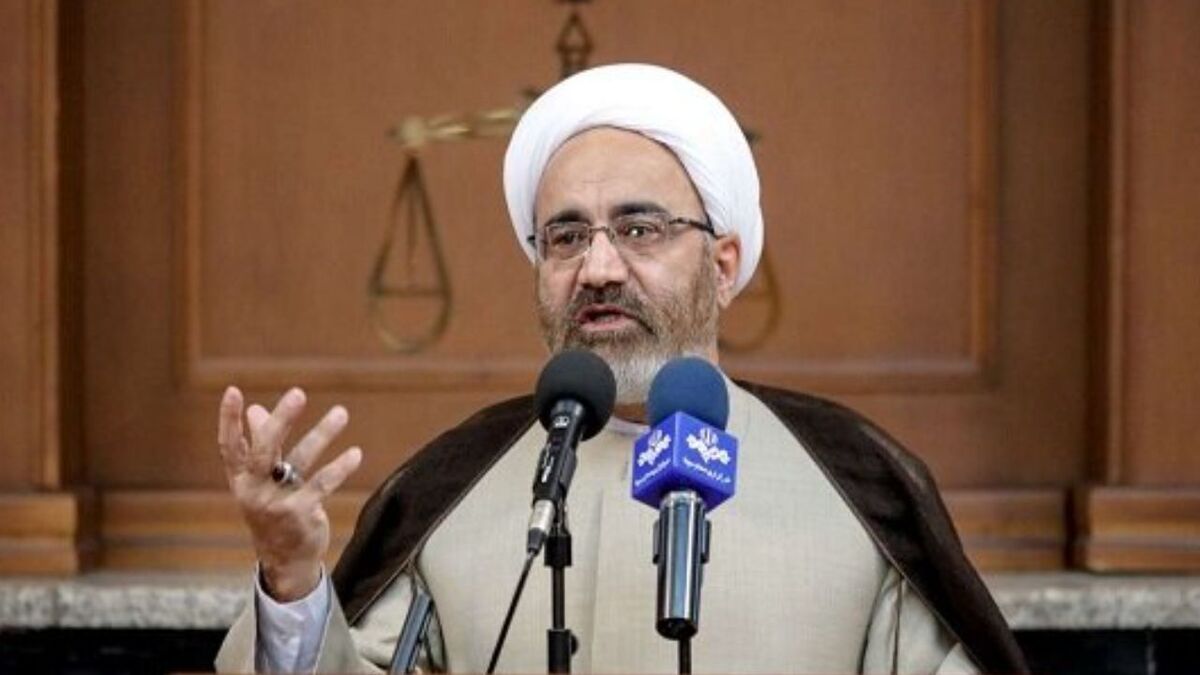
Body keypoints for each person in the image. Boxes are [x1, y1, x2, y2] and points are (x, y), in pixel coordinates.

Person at [215, 64, 1027, 674]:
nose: (598, 267)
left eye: (640, 229)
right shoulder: (451, 486)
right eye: (567, 237)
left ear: (723, 263)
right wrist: (291, 575)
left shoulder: (852, 483)